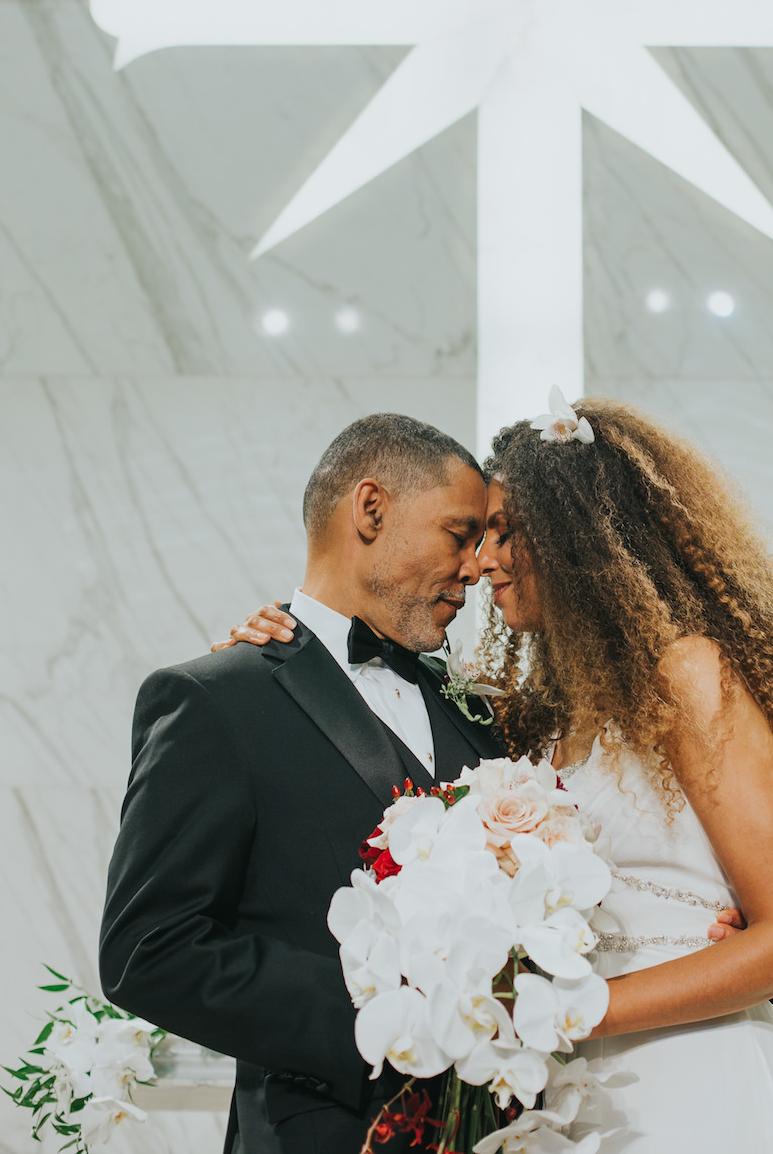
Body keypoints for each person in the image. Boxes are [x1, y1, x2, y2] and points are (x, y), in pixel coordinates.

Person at [233, 395, 773, 1153]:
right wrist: (287, 648)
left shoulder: (687, 675)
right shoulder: (532, 718)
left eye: (502, 532)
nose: (480, 563)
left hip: (687, 1071)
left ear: (578, 534)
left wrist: (576, 1011)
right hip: (557, 1093)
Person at [99, 413, 502, 1154]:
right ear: (371, 509)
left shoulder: (477, 709)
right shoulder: (214, 699)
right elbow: (148, 949)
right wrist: (382, 1019)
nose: (476, 568)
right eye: (460, 534)